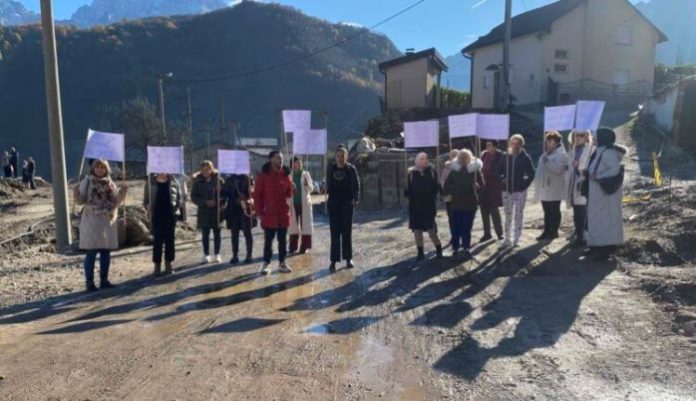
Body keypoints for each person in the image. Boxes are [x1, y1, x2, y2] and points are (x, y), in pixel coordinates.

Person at [73, 159, 127, 291]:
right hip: (91, 220)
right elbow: (80, 201)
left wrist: (122, 193)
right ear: (93, 169)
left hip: (106, 221)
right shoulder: (87, 181)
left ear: (106, 169)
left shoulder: (111, 184)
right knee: (91, 253)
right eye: (97, 167)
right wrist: (76, 193)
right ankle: (89, 283)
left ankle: (104, 280)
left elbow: (115, 202)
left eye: (102, 168)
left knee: (105, 252)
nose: (100, 170)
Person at [585, 127, 627, 260]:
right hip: (597, 193)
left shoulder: (608, 152)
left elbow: (614, 170)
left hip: (606, 194)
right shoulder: (598, 151)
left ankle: (605, 249)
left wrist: (598, 176)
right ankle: (595, 246)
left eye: (596, 137)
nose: (593, 139)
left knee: (606, 220)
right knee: (596, 220)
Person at [254, 150, 294, 275]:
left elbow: (288, 194)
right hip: (269, 214)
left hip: (283, 214)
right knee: (268, 241)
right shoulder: (263, 175)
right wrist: (259, 212)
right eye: (277, 158)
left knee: (283, 241)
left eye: (281, 158)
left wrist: (293, 189)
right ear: (271, 159)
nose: (280, 160)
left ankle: (282, 263)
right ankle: (266, 263)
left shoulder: (286, 175)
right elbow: (257, 195)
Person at [442, 149, 483, 260]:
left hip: (470, 204)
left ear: (470, 159)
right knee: (456, 228)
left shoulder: (475, 171)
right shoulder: (454, 171)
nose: (464, 159)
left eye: (466, 157)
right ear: (458, 159)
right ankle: (455, 248)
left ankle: (466, 248)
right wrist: (452, 190)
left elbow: (482, 186)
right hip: (456, 204)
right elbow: (445, 188)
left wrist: (477, 186)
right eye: (462, 157)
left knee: (467, 227)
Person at [327, 145, 360, 271]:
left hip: (347, 204)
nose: (340, 158)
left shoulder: (351, 169)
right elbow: (328, 185)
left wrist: (355, 199)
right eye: (338, 156)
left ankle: (348, 258)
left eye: (343, 156)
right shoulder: (331, 168)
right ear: (335, 157)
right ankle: (333, 261)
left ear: (346, 156)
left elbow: (357, 185)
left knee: (347, 232)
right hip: (334, 204)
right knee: (334, 233)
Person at [405, 152, 443, 261]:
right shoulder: (411, 174)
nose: (424, 160)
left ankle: (439, 249)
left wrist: (435, 193)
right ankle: (420, 252)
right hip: (415, 206)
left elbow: (437, 186)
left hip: (428, 205)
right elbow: (408, 188)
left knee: (432, 230)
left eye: (426, 158)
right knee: (417, 231)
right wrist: (407, 192)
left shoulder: (431, 172)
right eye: (422, 158)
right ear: (417, 160)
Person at [500, 134, 535, 248]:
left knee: (518, 214)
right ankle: (507, 239)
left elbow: (531, 174)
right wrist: (501, 178)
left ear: (521, 145)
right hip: (506, 191)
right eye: (513, 143)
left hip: (520, 191)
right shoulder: (505, 156)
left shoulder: (525, 157)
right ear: (510, 144)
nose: (515, 146)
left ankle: (516, 239)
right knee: (508, 215)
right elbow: (498, 171)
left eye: (517, 143)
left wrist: (524, 185)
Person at [144, 173, 182, 276]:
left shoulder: (174, 181)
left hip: (170, 216)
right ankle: (157, 267)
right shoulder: (150, 182)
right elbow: (145, 200)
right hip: (156, 216)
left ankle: (168, 265)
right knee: (157, 241)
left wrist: (176, 210)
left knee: (170, 241)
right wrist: (147, 206)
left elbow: (179, 198)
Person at [534, 131, 568, 241]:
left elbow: (558, 169)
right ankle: (546, 230)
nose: (547, 143)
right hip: (544, 187)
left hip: (554, 187)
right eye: (546, 141)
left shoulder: (562, 154)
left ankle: (554, 231)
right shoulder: (546, 153)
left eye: (549, 141)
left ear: (556, 142)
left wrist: (547, 162)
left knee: (554, 210)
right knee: (546, 210)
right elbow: (540, 169)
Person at [191, 161, 224, 264]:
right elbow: (193, 197)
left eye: (208, 169)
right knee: (205, 234)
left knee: (217, 234)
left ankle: (217, 254)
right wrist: (204, 202)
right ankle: (206, 254)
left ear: (211, 169)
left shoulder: (218, 180)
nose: (206, 171)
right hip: (204, 211)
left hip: (217, 211)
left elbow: (225, 195)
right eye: (203, 169)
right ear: (201, 170)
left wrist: (219, 200)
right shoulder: (197, 181)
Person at [566, 130, 593, 247]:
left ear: (587, 136)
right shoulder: (572, 151)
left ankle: (583, 237)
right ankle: (578, 235)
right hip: (573, 185)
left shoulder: (591, 150)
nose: (578, 137)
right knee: (576, 211)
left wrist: (579, 168)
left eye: (581, 135)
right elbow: (569, 168)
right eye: (575, 135)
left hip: (584, 184)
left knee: (583, 212)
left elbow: (591, 167)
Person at [223, 173, 254, 264]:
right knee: (234, 234)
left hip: (245, 209)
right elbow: (225, 192)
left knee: (247, 233)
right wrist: (220, 190)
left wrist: (246, 196)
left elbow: (253, 192)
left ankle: (249, 254)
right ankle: (235, 255)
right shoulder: (229, 179)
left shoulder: (248, 178)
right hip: (233, 210)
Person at [289, 157, 315, 254]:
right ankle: (292, 246)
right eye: (297, 162)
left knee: (306, 226)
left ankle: (304, 246)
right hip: (293, 204)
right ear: (292, 164)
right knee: (293, 226)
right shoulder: (289, 175)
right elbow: (286, 190)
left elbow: (311, 188)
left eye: (300, 162)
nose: (299, 164)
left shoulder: (305, 174)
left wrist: (306, 184)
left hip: (304, 204)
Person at [479, 141, 504, 242]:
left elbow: (501, 171)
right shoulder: (484, 155)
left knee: (494, 210)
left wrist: (490, 175)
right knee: (484, 210)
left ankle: (499, 233)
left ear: (495, 146)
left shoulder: (501, 156)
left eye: (489, 145)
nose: (487, 147)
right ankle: (487, 233)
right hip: (483, 187)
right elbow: (480, 168)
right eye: (486, 145)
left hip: (494, 187)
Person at [440, 150, 460, 246]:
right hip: (449, 197)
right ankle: (454, 236)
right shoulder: (447, 168)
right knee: (451, 218)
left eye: (456, 155)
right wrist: (447, 189)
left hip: (459, 198)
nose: (454, 157)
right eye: (452, 155)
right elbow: (442, 181)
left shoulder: (463, 167)